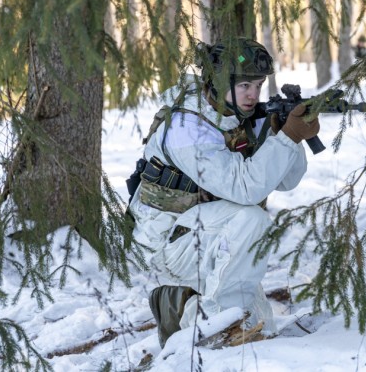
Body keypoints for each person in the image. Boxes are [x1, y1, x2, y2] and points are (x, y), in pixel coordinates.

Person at [127, 38, 321, 348]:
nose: (253, 94)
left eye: (258, 85)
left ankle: (180, 308)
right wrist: (286, 138)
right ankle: (215, 329)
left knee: (261, 331)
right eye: (244, 84)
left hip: (207, 232)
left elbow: (285, 181)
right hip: (164, 242)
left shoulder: (239, 115)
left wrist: (287, 134)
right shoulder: (186, 125)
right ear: (217, 82)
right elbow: (245, 188)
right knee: (253, 221)